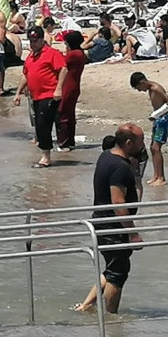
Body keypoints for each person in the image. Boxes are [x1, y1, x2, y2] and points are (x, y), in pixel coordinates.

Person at [74, 124, 144, 313]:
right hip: (113, 228)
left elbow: (133, 196)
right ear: (129, 143)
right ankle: (111, 318)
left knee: (113, 268)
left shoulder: (106, 156)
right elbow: (118, 203)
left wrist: (136, 173)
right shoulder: (119, 168)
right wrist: (132, 233)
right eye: (140, 141)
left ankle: (86, 305)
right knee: (118, 274)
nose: (142, 145)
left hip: (101, 223)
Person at [13, 26, 67, 168]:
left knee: (43, 125)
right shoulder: (31, 56)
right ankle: (46, 152)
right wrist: (18, 92)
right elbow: (26, 74)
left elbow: (63, 69)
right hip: (35, 96)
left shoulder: (52, 53)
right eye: (30, 41)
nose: (33, 44)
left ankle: (46, 157)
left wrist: (58, 89)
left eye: (35, 41)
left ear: (42, 39)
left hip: (49, 94)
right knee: (39, 125)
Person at [130, 72, 168, 186]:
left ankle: (161, 178)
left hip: (164, 119)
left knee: (156, 147)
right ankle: (156, 175)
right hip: (158, 120)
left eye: (138, 88)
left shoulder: (155, 88)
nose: (139, 90)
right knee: (152, 148)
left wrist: (157, 113)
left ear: (142, 82)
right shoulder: (150, 89)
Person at [57, 30, 87, 151]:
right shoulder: (80, 53)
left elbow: (62, 65)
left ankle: (64, 143)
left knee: (62, 113)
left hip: (68, 86)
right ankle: (70, 141)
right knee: (69, 114)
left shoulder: (73, 54)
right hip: (74, 86)